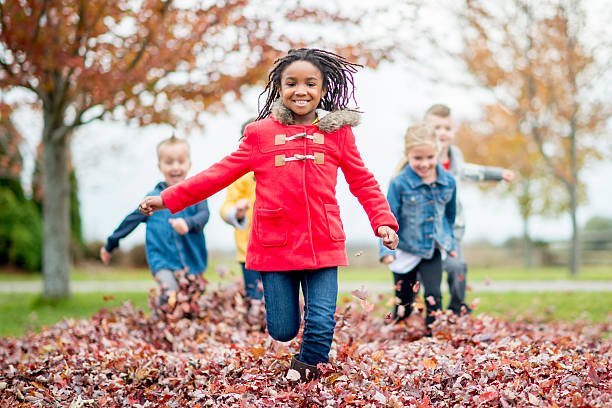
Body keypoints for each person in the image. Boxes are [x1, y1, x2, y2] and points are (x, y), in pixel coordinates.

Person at [139, 48, 399, 381]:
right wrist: (166, 198)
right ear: (279, 87)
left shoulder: (338, 134)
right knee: (283, 328)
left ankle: (305, 374)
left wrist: (383, 222)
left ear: (322, 89)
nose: (301, 91)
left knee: (321, 320)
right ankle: (292, 349)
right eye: (291, 83)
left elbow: (363, 181)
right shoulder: (261, 135)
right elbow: (217, 175)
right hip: (274, 246)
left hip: (323, 242)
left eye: (310, 83)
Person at [424, 104, 515, 315]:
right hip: (424, 228)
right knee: (427, 278)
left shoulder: (456, 158)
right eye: (436, 128)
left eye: (447, 128)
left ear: (453, 131)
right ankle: (426, 313)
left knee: (457, 267)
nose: (442, 133)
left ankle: (458, 308)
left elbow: (471, 171)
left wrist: (498, 173)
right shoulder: (421, 158)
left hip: (451, 227)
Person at [100, 136, 209, 306]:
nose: (175, 167)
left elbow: (203, 216)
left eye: (180, 161)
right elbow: (130, 221)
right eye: (169, 162)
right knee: (169, 294)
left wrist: (188, 224)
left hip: (192, 261)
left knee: (192, 303)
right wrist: (110, 244)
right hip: (162, 260)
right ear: (160, 166)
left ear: (189, 164)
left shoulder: (196, 193)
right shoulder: (153, 198)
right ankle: (160, 321)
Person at [379, 124, 457, 336]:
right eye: (418, 158)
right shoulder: (399, 183)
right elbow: (388, 217)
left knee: (434, 294)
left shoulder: (448, 181)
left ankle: (433, 337)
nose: (424, 164)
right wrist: (387, 251)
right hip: (405, 249)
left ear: (438, 153)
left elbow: (449, 217)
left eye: (430, 157)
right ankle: (394, 325)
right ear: (407, 155)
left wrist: (451, 244)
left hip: (432, 249)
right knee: (404, 301)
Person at [219, 119, 262, 301]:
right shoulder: (242, 175)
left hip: (278, 249)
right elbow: (226, 207)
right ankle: (255, 325)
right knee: (254, 297)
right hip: (249, 250)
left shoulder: (279, 168)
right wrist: (237, 211)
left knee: (275, 295)